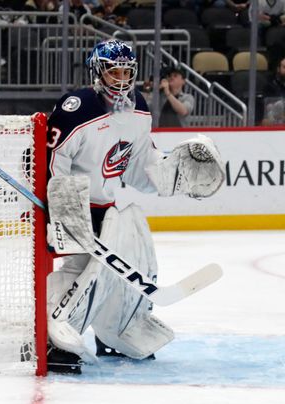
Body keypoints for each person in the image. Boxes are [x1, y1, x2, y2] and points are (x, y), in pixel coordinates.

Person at [44, 39, 223, 373]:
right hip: (69, 203)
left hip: (106, 206)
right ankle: (52, 340)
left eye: (127, 71)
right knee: (79, 271)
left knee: (117, 267)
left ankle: (114, 331)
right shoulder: (77, 106)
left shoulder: (137, 108)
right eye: (114, 72)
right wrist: (59, 209)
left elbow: (139, 163)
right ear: (98, 72)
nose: (122, 79)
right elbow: (54, 158)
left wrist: (173, 174)